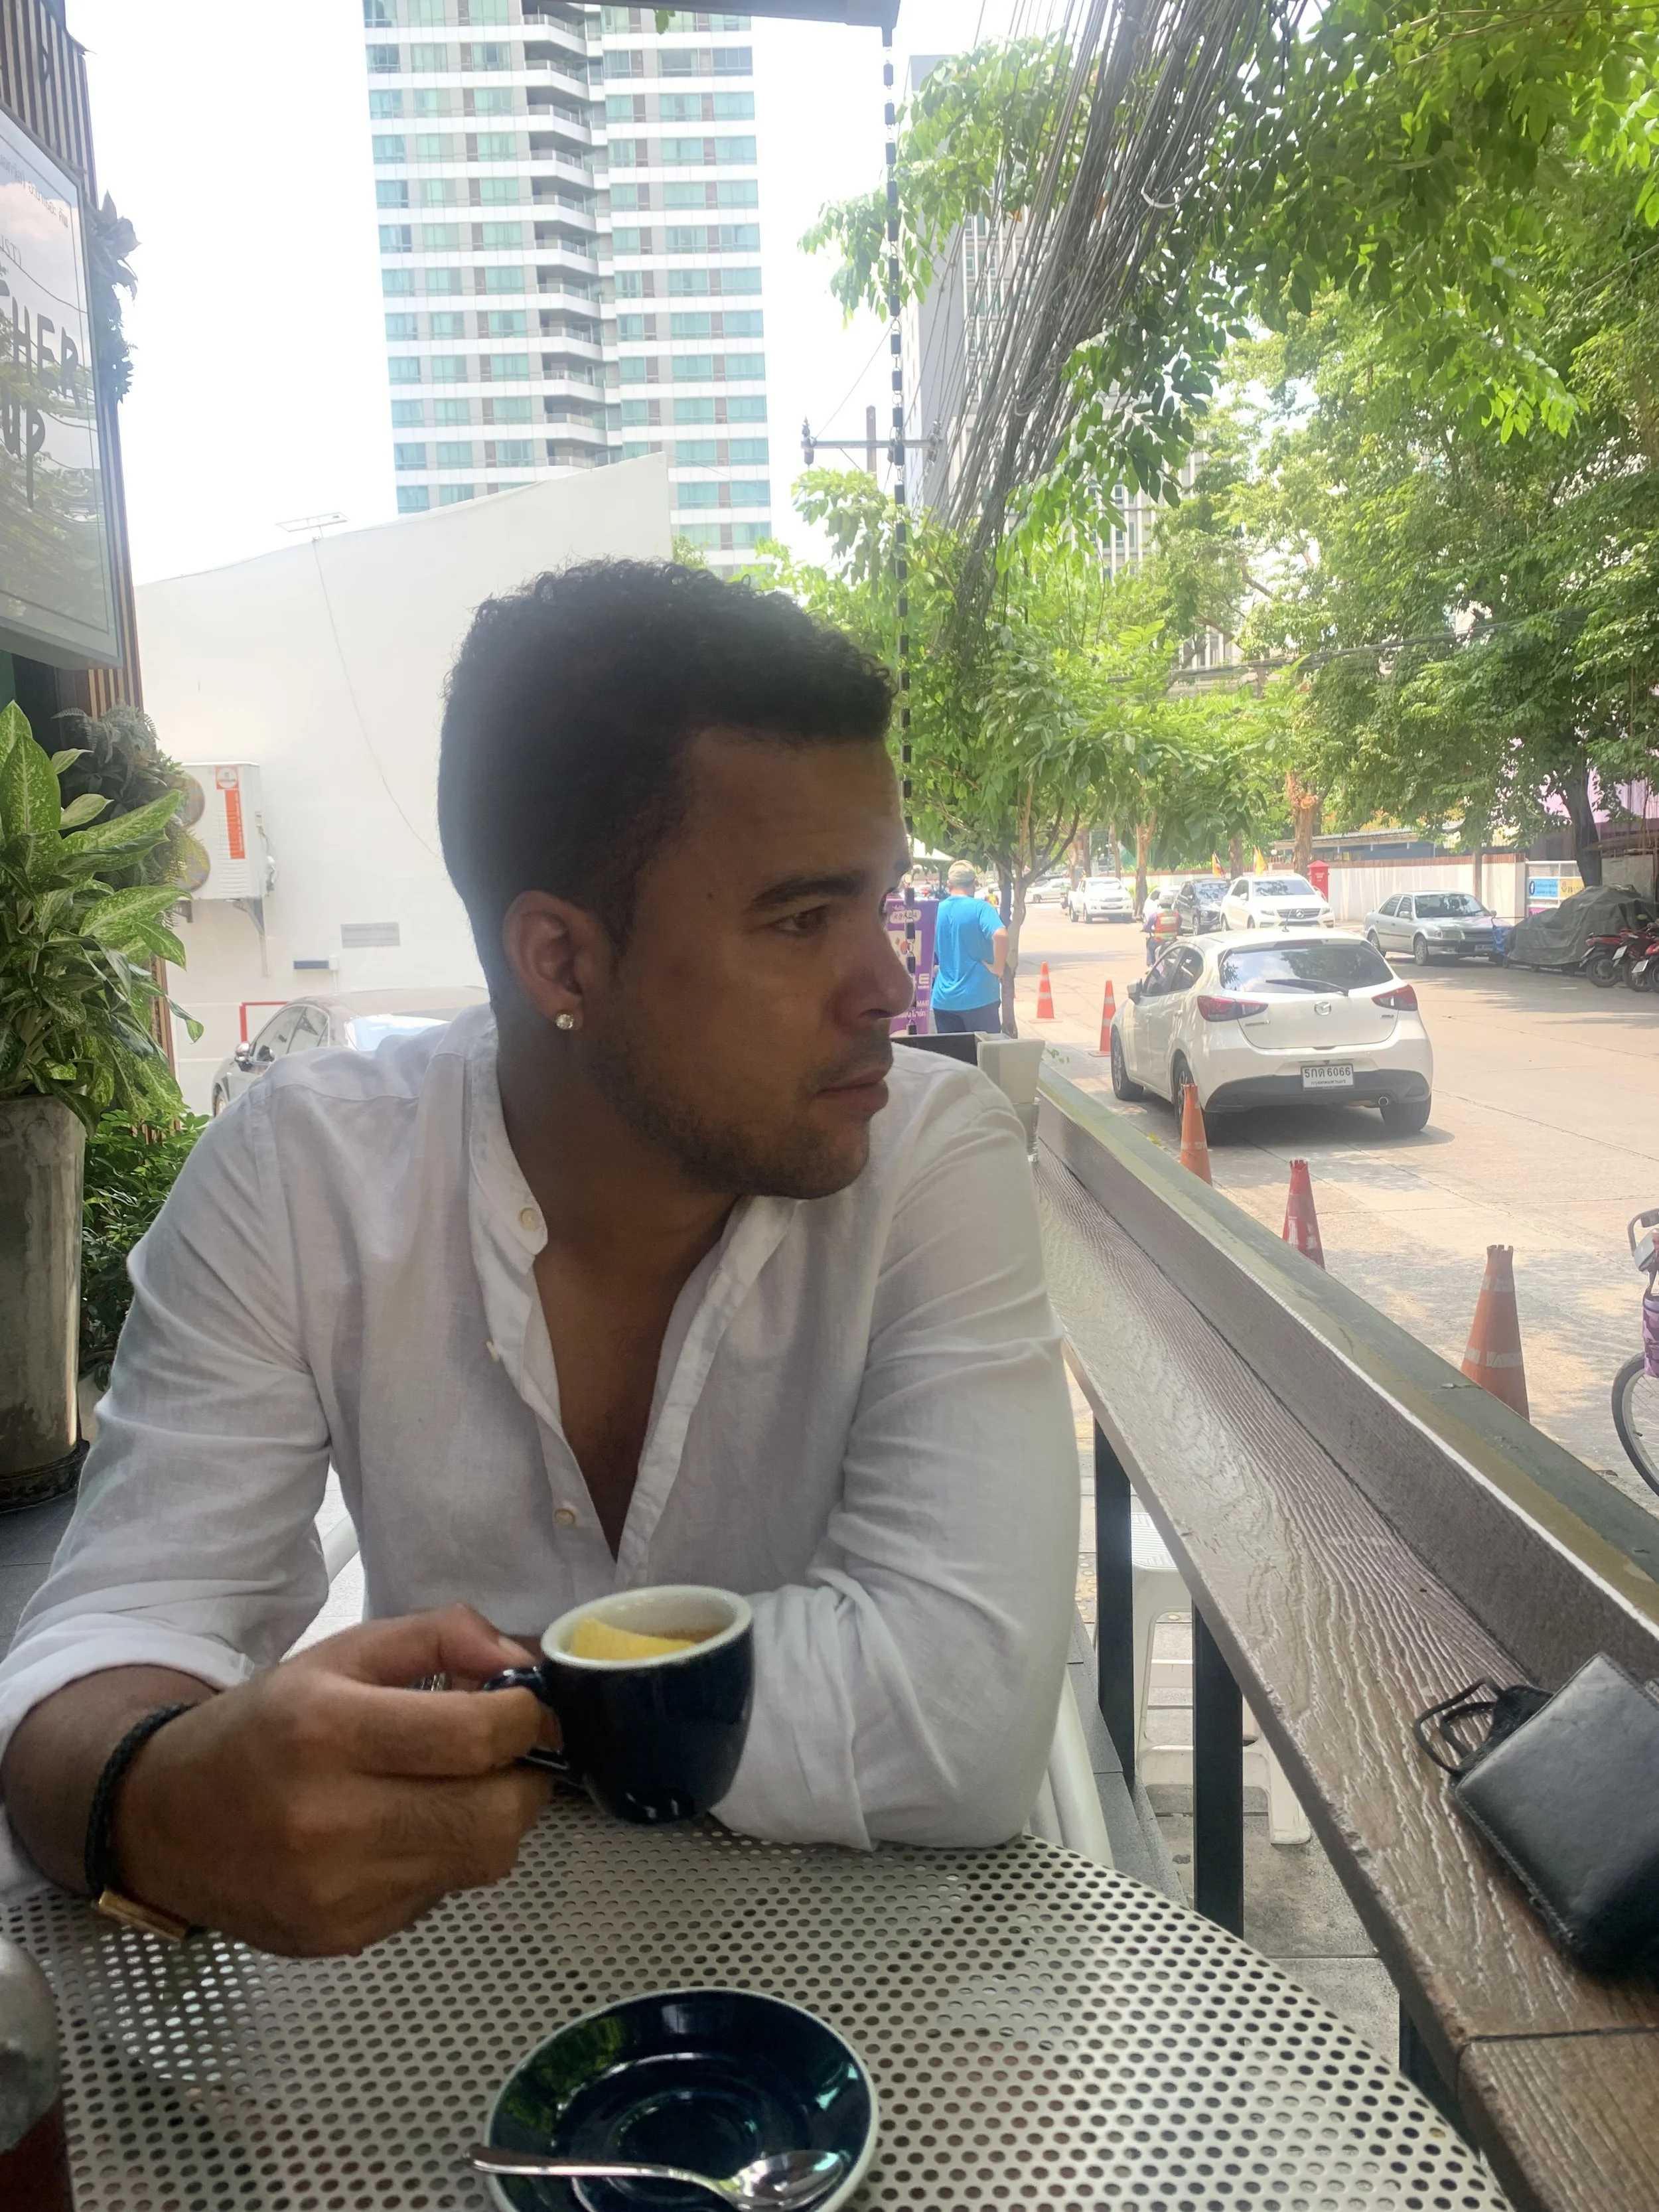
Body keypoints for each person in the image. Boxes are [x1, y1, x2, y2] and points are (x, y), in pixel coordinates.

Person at [0, 561, 1077, 1958]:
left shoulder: (932, 1156)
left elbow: (963, 1716)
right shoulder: (304, 1172)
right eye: (802, 920)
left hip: (888, 1992)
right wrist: (158, 1792)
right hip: (457, 1998)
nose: (886, 986)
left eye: (880, 904)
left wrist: (458, 1725)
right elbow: (106, 1645)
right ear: (562, 960)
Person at [930, 861, 1007, 1035]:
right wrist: (998, 969)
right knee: (986, 1057)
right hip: (980, 997)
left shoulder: (935, 910)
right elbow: (1001, 935)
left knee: (953, 1060)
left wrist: (934, 968)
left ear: (949, 884)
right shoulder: (981, 908)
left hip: (944, 1000)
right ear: (974, 883)